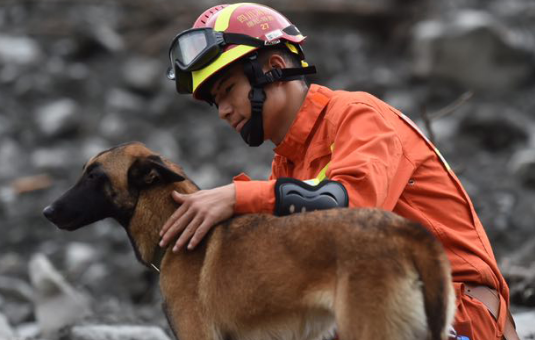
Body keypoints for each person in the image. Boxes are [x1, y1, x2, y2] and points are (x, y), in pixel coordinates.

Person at [159, 3, 519, 340]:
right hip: (378, 307)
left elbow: (354, 207)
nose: (222, 110)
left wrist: (238, 196)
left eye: (227, 90)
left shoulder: (358, 115)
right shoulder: (287, 163)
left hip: (459, 316)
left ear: (271, 69)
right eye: (214, 102)